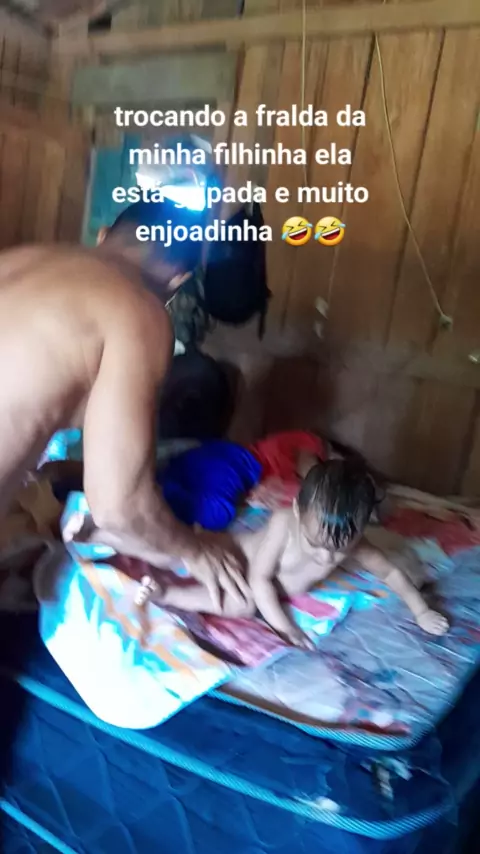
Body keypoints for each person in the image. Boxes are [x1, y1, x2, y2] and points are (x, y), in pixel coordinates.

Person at [0, 199, 249, 611]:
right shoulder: (136, 309)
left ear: (103, 235)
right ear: (179, 279)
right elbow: (119, 507)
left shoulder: (25, 259)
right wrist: (194, 550)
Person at [134, 458, 449, 647]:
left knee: (240, 602)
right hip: (234, 555)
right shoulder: (284, 523)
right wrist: (283, 627)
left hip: (252, 581)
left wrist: (420, 609)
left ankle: (166, 592)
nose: (325, 557)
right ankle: (129, 544)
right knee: (189, 561)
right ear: (297, 510)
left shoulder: (355, 543)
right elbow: (260, 579)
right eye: (316, 545)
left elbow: (389, 571)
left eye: (339, 551)